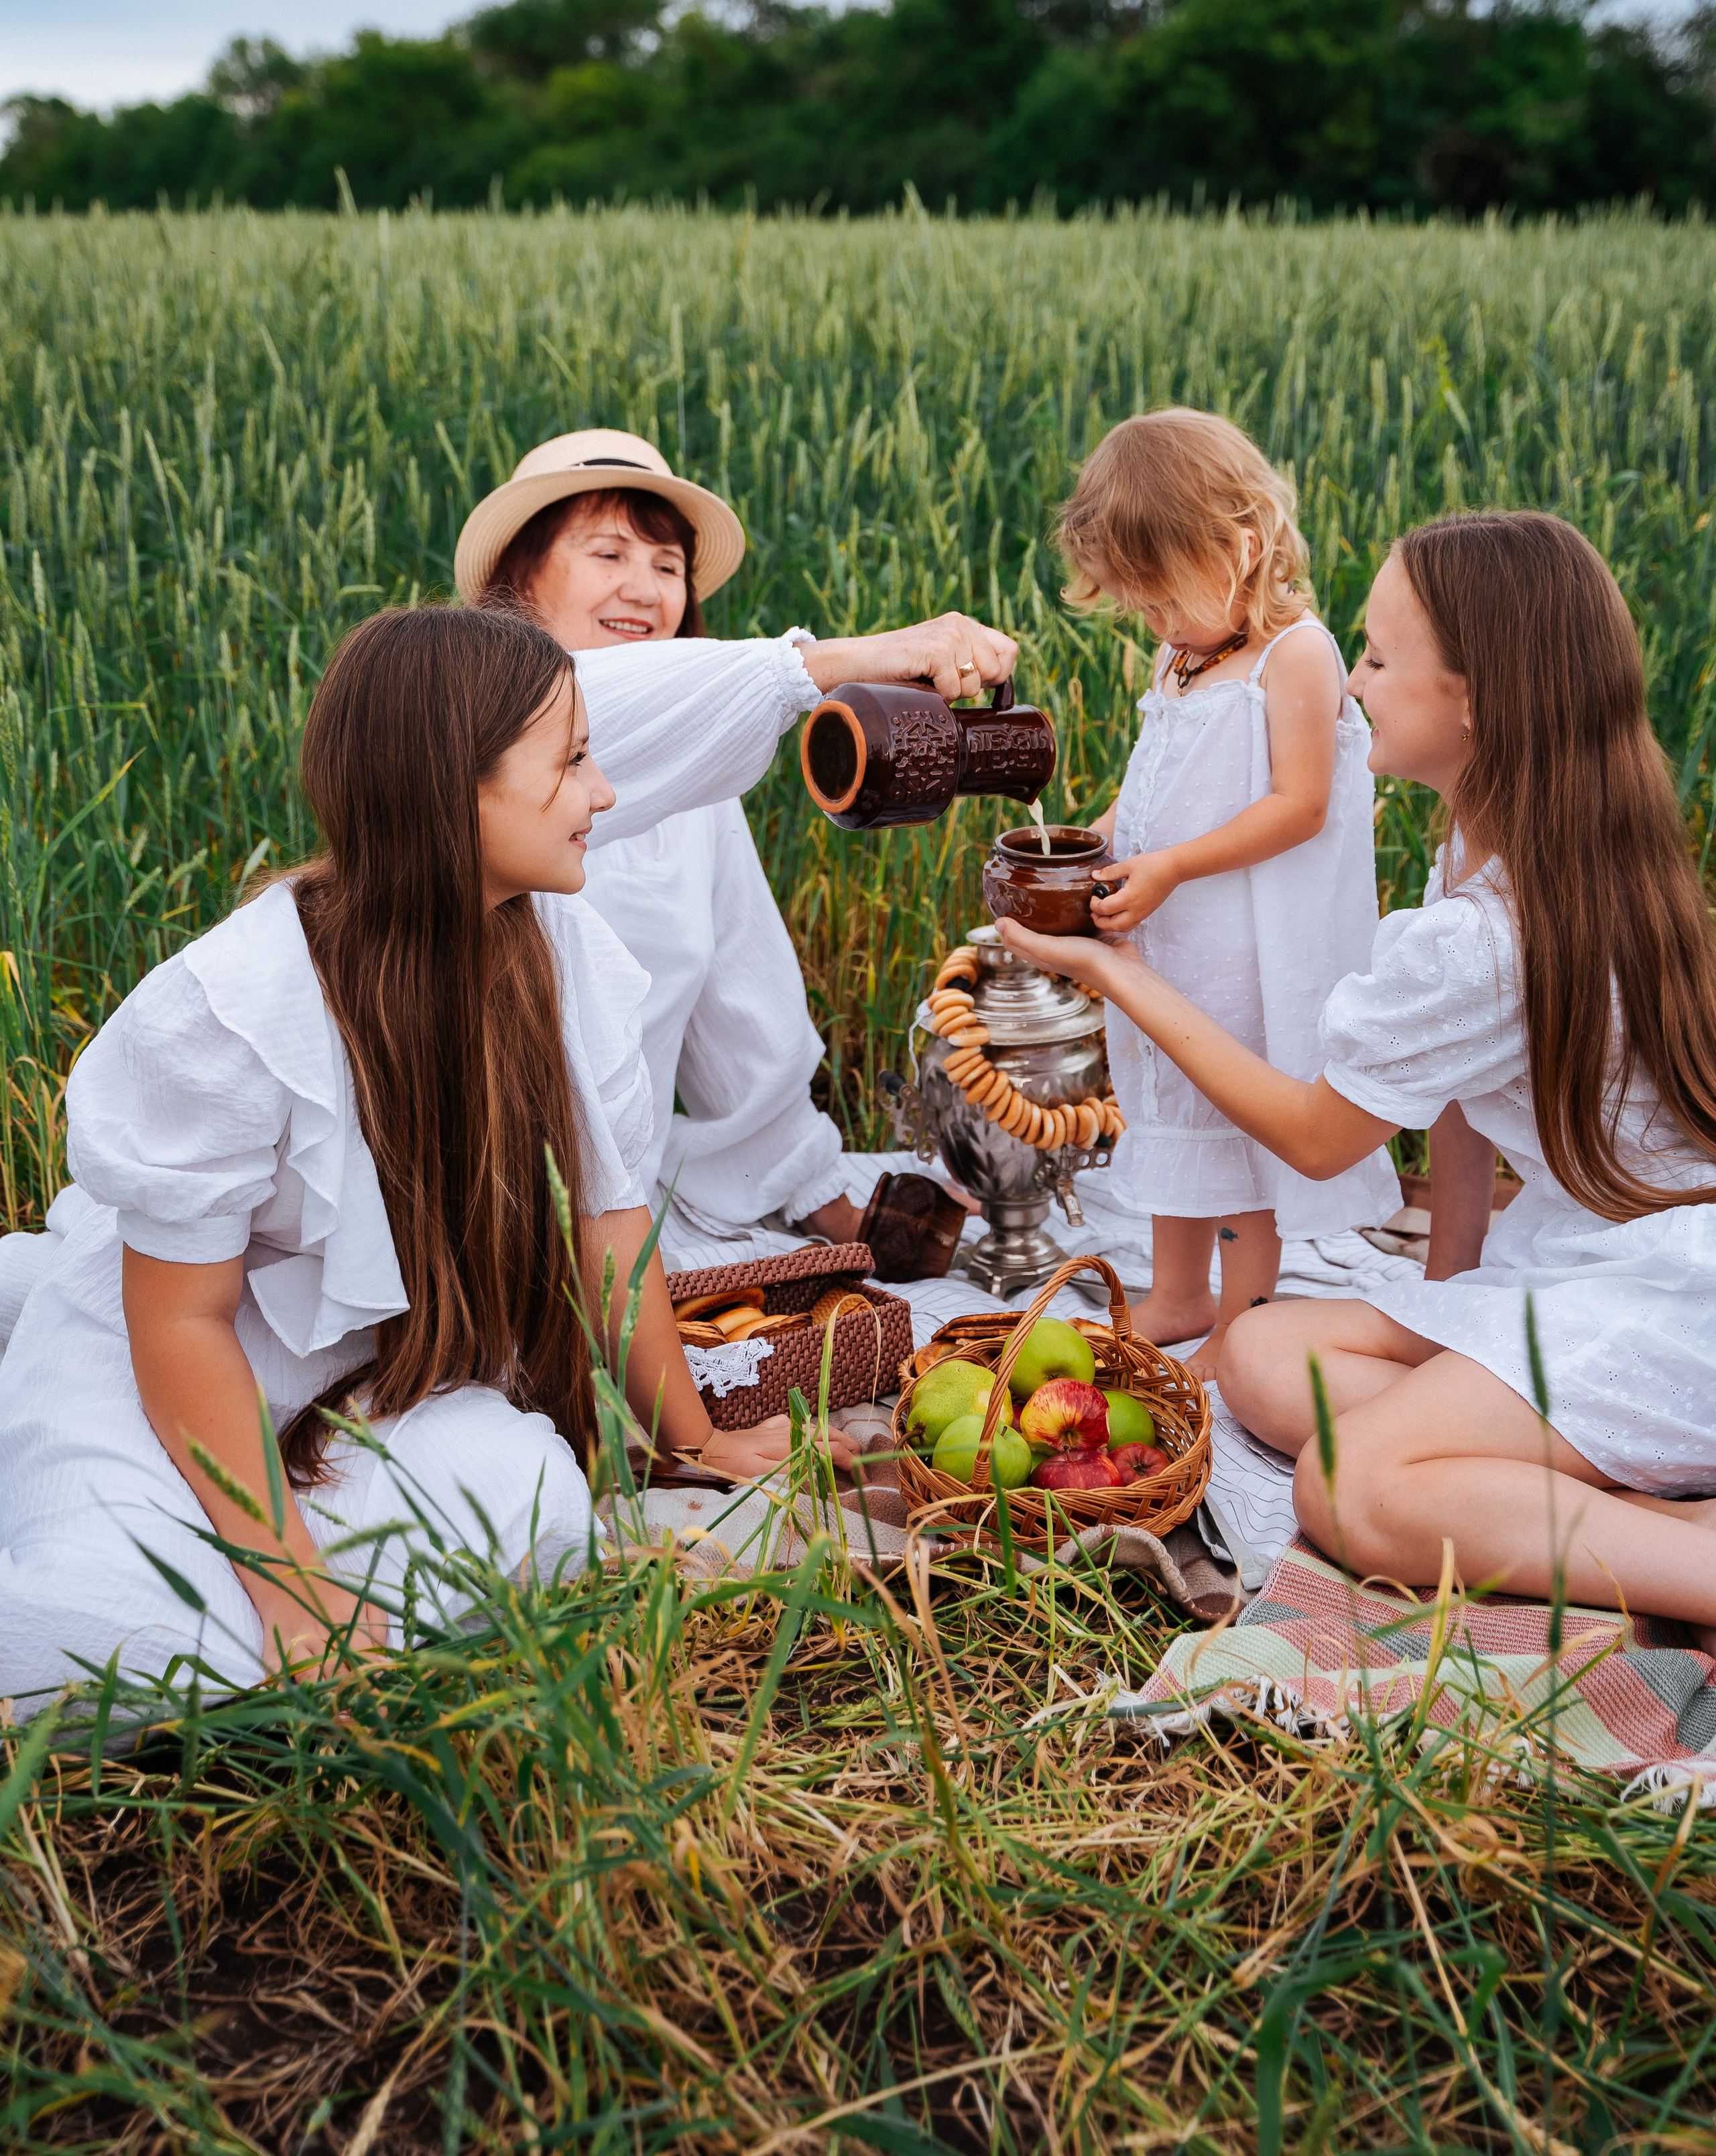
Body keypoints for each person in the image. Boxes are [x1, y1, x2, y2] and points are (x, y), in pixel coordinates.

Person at [0, 605, 846, 1710]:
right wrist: (297, 1592)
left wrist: (692, 1437)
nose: (604, 794)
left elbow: (609, 1224)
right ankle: (46, 1391)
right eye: (572, 762)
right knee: (115, 1650)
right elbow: (182, 1325)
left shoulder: (568, 954)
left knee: (534, 1505)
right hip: (172, 1367)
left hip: (363, 1382)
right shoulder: (230, 1016)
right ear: (454, 787)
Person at [999, 510, 1716, 1641]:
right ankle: (1607, 1493)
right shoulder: (1509, 849)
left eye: (1378, 659)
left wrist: (1114, 972)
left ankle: (1681, 1550)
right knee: (1258, 1356)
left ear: (1474, 701)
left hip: (1671, 1299)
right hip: (1588, 1263)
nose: (1351, 683)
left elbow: (1319, 1137)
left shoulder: (1486, 934)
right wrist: (1452, 1298)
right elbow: (1461, 1107)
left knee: (1352, 1487)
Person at [454, 430, 1012, 1257]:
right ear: (518, 581)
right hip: (462, 1206)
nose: (643, 589)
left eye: (667, 566)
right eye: (607, 554)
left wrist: (820, 1197)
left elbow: (745, 1008)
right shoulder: (461, 728)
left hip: (611, 1213)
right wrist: (834, 663)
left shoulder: (692, 778)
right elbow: (561, 707)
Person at [1056, 411, 1394, 1377]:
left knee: (1237, 1129)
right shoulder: (1185, 655)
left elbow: (1299, 805)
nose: (1158, 625)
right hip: (1176, 939)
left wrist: (1169, 867)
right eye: (1143, 609)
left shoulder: (1297, 654)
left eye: (1166, 599)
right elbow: (1154, 776)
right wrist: (1100, 839)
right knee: (1174, 1110)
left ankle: (1243, 1316)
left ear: (1239, 544)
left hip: (1244, 947)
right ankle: (1177, 1291)